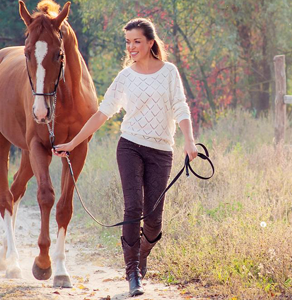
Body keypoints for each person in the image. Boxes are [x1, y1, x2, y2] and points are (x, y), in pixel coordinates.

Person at [51, 17, 196, 297]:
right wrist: (72, 142)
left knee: (153, 221)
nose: (131, 47)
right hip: (129, 146)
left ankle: (142, 252)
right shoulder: (126, 77)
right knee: (133, 209)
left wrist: (190, 140)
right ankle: (132, 273)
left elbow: (181, 107)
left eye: (137, 41)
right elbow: (102, 113)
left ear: (150, 43)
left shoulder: (169, 72)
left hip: (162, 151)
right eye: (128, 42)